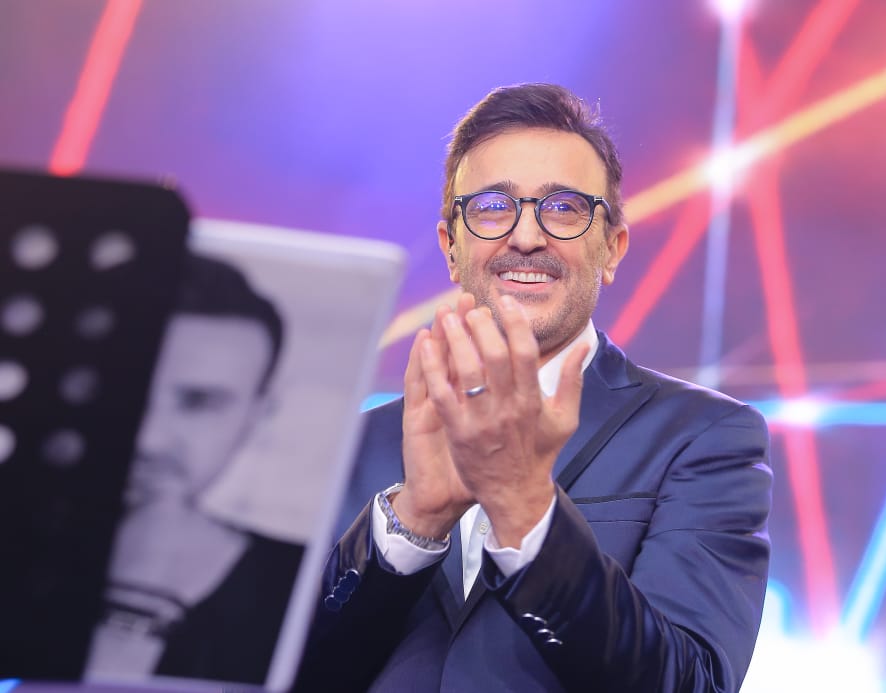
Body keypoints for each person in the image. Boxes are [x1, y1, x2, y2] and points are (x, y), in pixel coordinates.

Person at [296, 83, 772, 692]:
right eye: (493, 206)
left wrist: (526, 511)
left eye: (565, 208)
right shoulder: (350, 443)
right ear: (450, 246)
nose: (526, 237)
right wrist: (414, 520)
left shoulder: (704, 438)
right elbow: (269, 674)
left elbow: (691, 683)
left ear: (612, 249)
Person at [86, 253, 303, 684]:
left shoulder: (308, 584)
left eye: (199, 403)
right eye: (125, 388)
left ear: (258, 415)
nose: (148, 439)